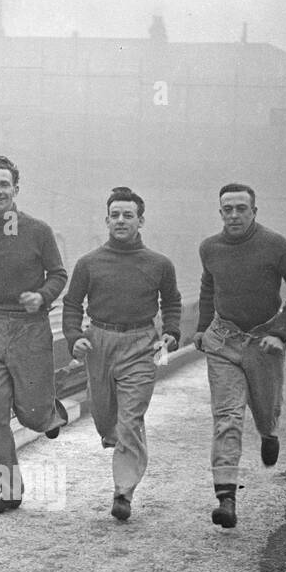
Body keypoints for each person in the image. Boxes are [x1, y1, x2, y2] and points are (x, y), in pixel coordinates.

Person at [0, 156, 69, 514]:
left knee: (33, 416)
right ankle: (10, 490)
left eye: (5, 184)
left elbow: (59, 275)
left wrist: (43, 296)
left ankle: (49, 410)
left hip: (30, 329)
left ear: (16, 189)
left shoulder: (38, 231)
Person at [194, 182, 286, 529]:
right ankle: (226, 498)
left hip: (264, 342)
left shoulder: (277, 246)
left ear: (254, 211)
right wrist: (201, 329)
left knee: (265, 407)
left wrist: (279, 333)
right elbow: (208, 288)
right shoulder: (210, 248)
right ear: (220, 213)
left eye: (240, 208)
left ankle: (269, 432)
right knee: (227, 417)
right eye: (227, 209)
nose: (233, 215)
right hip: (223, 341)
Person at [61, 186, 181, 522]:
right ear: (107, 220)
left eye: (128, 215)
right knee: (105, 419)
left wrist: (171, 332)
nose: (121, 220)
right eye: (115, 215)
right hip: (99, 341)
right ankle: (114, 440)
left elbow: (171, 302)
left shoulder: (159, 264)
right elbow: (72, 305)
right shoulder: (88, 263)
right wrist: (74, 337)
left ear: (140, 220)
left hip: (143, 344)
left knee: (131, 419)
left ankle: (123, 492)